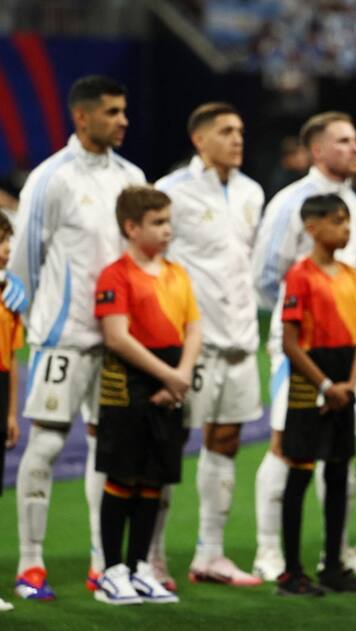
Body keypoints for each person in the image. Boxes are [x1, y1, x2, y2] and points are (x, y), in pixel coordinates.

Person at [10, 75, 146, 600]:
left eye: (124, 111)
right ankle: (31, 564)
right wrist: (38, 320)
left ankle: (101, 561)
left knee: (106, 448)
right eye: (112, 112)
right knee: (46, 441)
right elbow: (25, 259)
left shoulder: (132, 176)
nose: (123, 120)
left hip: (119, 340)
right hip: (63, 337)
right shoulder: (50, 178)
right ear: (82, 116)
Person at [251, 111, 356, 580]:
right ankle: (270, 552)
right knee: (286, 446)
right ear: (317, 150)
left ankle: (338, 552)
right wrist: (306, 314)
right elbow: (266, 276)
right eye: (344, 141)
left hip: (345, 347)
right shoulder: (290, 203)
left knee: (339, 452)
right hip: (301, 348)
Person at [152, 102, 264, 588]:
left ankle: (210, 555)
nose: (238, 138)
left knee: (227, 442)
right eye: (226, 131)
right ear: (199, 139)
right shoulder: (171, 191)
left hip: (240, 340)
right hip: (191, 345)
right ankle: (153, 556)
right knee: (169, 447)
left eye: (240, 129)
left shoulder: (252, 191)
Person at [92, 186, 200, 605]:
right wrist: (169, 377)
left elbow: (193, 327)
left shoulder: (177, 273)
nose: (167, 230)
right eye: (157, 222)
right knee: (123, 475)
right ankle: (111, 570)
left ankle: (140, 567)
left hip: (170, 384)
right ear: (131, 227)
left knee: (154, 478)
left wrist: (182, 375)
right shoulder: (115, 275)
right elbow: (117, 337)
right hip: (129, 388)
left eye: (168, 221)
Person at [277, 194, 356, 596]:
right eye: (337, 221)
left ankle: (333, 565)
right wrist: (325, 385)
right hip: (311, 384)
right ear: (311, 226)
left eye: (347, 220)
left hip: (343, 384)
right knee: (299, 475)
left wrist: (349, 384)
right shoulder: (300, 275)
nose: (346, 228)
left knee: (338, 474)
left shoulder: (352, 275)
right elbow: (289, 341)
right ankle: (291, 572)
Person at [0, 213, 24, 613]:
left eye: (8, 241)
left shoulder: (11, 295)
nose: (6, 249)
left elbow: (13, 358)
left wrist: (11, 413)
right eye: (0, 241)